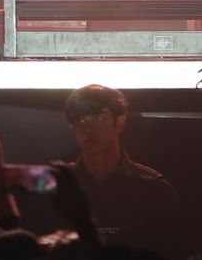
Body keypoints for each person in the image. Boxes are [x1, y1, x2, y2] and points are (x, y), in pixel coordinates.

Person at [55, 84, 178, 256]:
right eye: (80, 120)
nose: (89, 128)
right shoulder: (60, 187)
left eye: (99, 118)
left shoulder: (154, 190)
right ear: (72, 126)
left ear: (120, 121)